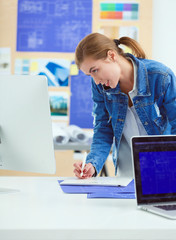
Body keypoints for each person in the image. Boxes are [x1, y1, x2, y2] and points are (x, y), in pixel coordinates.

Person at [73, 32, 176, 179]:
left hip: (163, 166)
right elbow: (103, 127)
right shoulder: (100, 86)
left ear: (112, 56)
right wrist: (92, 164)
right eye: (90, 75)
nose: (96, 81)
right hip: (126, 172)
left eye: (95, 70)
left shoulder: (160, 76)